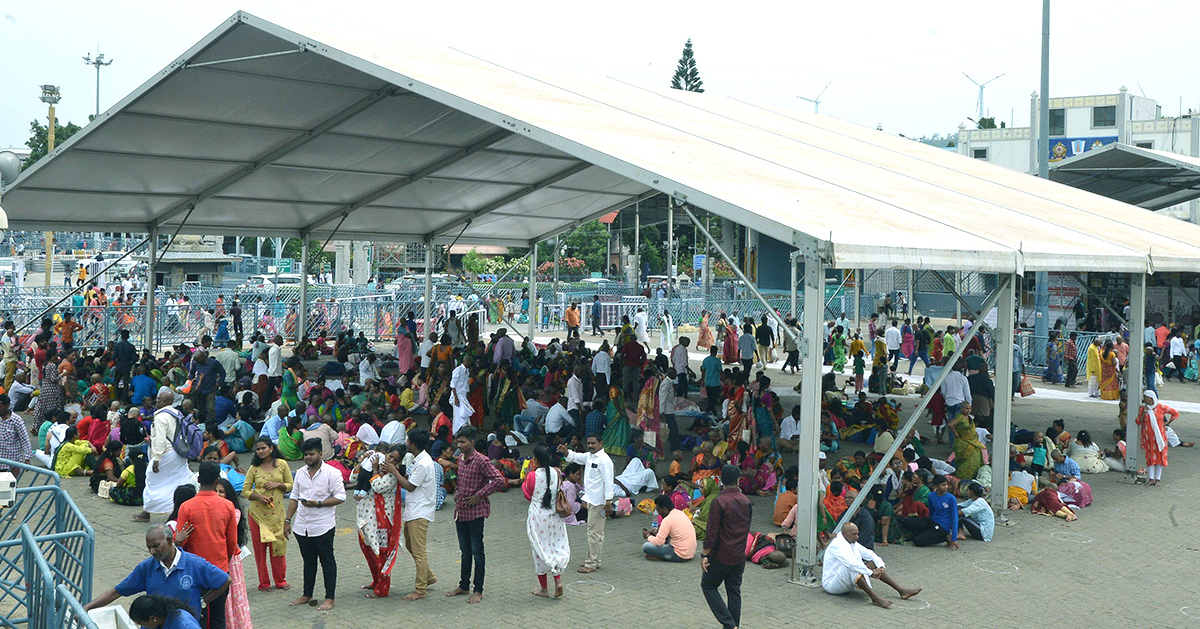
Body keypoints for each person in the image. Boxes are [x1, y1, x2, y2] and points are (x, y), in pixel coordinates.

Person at [84, 524, 231, 622]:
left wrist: (203, 601)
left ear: (169, 540)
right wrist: (87, 608)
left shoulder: (195, 564)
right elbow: (116, 591)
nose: (152, 551)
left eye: (156, 546)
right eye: (149, 548)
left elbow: (225, 581)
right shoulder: (147, 567)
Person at [446, 425, 506, 604]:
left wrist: (479, 495)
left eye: (463, 442)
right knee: (465, 551)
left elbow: (498, 480)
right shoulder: (461, 459)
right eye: (458, 442)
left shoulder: (482, 460)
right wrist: (457, 491)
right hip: (461, 511)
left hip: (476, 512)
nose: (460, 445)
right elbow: (462, 482)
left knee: (477, 552)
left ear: (472, 441)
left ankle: (478, 589)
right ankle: (464, 585)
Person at [285, 438, 346, 611]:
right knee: (308, 561)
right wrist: (288, 520)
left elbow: (341, 497)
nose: (308, 458)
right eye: (305, 455)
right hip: (302, 526)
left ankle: (330, 598)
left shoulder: (332, 473)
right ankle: (307, 594)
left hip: (323, 526)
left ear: (321, 453)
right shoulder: (301, 473)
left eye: (311, 454)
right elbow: (294, 497)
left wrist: (318, 503)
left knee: (327, 561)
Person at [175, 462, 237, 629]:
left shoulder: (186, 507)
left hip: (193, 570)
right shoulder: (227, 506)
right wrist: (225, 561)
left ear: (199, 479)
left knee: (196, 616)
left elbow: (180, 541)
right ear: (217, 481)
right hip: (219, 568)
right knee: (218, 618)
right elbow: (231, 542)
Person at [821, 523, 921, 608]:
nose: (857, 537)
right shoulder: (837, 545)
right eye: (854, 534)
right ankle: (875, 598)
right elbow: (851, 563)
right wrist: (871, 573)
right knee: (852, 567)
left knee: (872, 563)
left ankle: (902, 591)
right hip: (832, 584)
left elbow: (869, 553)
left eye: (857, 534)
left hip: (846, 581)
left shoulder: (851, 541)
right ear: (844, 534)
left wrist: (881, 566)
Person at [349, 444, 404, 598]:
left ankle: (382, 589)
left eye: (394, 459)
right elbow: (352, 478)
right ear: (385, 453)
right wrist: (363, 462)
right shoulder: (373, 465)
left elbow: (378, 486)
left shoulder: (393, 475)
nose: (390, 460)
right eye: (390, 455)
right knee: (368, 550)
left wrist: (373, 470)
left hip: (382, 520)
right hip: (365, 517)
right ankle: (375, 581)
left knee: (380, 553)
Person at [701, 465, 751, 629]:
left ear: (721, 480)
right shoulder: (746, 501)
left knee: (708, 586)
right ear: (738, 480)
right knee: (734, 591)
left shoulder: (719, 501)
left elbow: (712, 532)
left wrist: (704, 554)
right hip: (738, 555)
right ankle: (733, 625)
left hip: (721, 555)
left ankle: (729, 624)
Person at [241, 437, 292, 591]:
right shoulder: (254, 468)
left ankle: (280, 581)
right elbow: (245, 490)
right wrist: (258, 496)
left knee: (278, 548)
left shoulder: (281, 464)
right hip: (257, 515)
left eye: (263, 448)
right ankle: (264, 583)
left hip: (277, 514)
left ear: (271, 448)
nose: (261, 451)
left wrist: (278, 485)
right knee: (260, 550)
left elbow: (290, 485)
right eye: (258, 449)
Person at [134, 390, 194, 523]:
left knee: (151, 479)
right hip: (179, 453)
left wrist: (156, 459)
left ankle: (147, 512)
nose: (156, 401)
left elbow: (160, 440)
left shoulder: (161, 417)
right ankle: (179, 510)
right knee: (179, 480)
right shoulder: (176, 413)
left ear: (165, 401)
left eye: (159, 399)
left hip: (166, 453)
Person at [560, 432, 615, 574]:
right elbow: (577, 457)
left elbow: (609, 482)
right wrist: (567, 452)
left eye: (593, 443)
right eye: (589, 443)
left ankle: (591, 563)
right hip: (591, 500)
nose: (590, 446)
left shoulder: (605, 460)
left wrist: (608, 502)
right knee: (596, 532)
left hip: (599, 503)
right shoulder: (590, 456)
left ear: (601, 443)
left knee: (594, 533)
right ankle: (595, 560)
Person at [395, 428, 438, 601]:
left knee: (419, 551)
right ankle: (429, 576)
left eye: (407, 441)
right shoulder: (418, 459)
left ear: (412, 444)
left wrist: (393, 471)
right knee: (412, 546)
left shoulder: (423, 463)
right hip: (414, 509)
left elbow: (410, 486)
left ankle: (420, 589)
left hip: (420, 510)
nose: (406, 444)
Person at [525, 444, 570, 597]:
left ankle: (544, 589)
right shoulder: (557, 472)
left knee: (539, 550)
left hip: (538, 517)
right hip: (554, 517)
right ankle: (558, 580)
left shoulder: (532, 476)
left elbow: (528, 494)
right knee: (555, 547)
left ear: (535, 459)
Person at [642, 494, 696, 562]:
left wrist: (647, 536)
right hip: (690, 553)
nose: (658, 513)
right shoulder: (680, 513)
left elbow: (658, 542)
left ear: (664, 509)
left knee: (646, 546)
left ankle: (663, 556)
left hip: (680, 554)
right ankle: (662, 555)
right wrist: (657, 533)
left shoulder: (667, 519)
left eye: (659, 510)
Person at [1136, 390, 1170, 486]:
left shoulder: (1160, 407)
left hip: (1160, 438)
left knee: (1159, 457)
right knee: (1150, 457)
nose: (1144, 399)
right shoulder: (1143, 408)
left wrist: (1167, 423)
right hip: (1148, 438)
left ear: (1151, 398)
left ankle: (1158, 479)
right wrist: (1144, 412)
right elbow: (1138, 421)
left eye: (1145, 397)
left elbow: (1175, 413)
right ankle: (1151, 479)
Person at [127, 594, 203, 629]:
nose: (142, 626)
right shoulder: (152, 624)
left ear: (153, 618)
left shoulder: (184, 625)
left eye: (141, 623)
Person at [0, 394, 31, 471]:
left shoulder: (16, 420)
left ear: (7, 406)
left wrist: (27, 458)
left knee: (11, 483)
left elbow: (25, 439)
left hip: (13, 462)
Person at [450, 355, 475, 435]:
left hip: (463, 395)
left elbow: (466, 384)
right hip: (458, 395)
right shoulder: (457, 370)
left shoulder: (467, 371)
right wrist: (456, 398)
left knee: (463, 414)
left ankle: (463, 429)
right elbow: (453, 385)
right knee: (460, 415)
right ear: (466, 361)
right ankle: (458, 431)